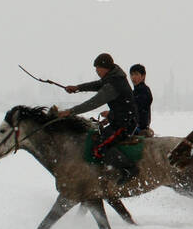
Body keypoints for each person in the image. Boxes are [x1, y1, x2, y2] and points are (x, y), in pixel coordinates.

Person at [58, 53, 139, 182]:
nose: (96, 71)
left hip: (125, 124)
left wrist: (70, 112)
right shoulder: (113, 77)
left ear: (105, 67)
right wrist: (78, 88)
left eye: (97, 69)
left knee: (99, 145)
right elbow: (97, 85)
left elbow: (93, 103)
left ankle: (129, 169)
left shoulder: (114, 84)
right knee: (96, 138)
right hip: (119, 120)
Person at [130, 63, 153, 136]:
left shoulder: (144, 91)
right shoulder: (134, 92)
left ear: (143, 76)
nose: (133, 77)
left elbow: (135, 109)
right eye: (132, 74)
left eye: (136, 74)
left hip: (139, 129)